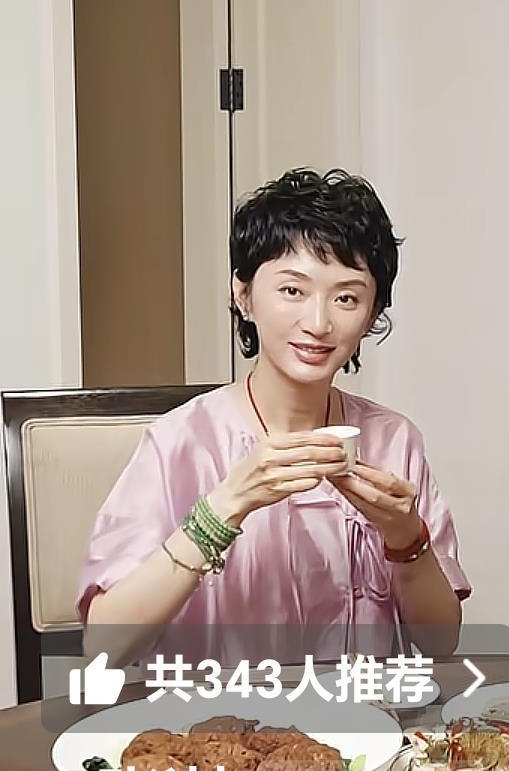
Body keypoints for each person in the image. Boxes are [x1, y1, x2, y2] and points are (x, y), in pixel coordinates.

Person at [78, 169, 470, 667]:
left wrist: (405, 536)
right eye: (292, 291)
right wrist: (223, 508)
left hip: (367, 712)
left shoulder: (393, 441)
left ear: (372, 315)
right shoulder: (180, 443)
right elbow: (105, 647)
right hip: (218, 712)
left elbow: (440, 643)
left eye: (346, 298)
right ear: (243, 295)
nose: (319, 323)